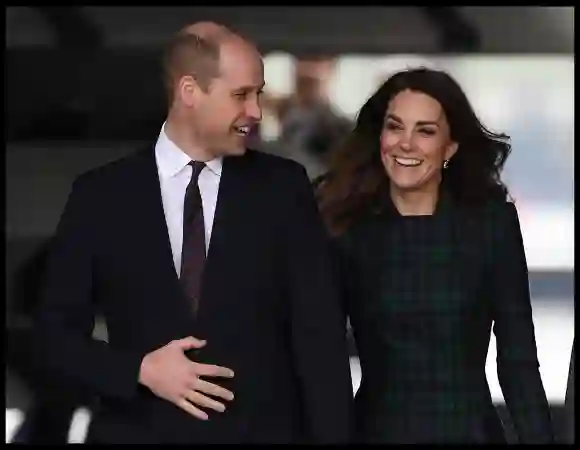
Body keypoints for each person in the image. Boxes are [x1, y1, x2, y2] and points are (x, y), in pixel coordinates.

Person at [31, 21, 353, 444]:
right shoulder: (100, 195)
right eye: (241, 95)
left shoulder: (284, 188)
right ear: (189, 92)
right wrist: (139, 370)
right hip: (138, 434)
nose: (256, 111)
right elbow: (54, 338)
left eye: (258, 94)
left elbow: (321, 342)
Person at [315, 67, 554, 443]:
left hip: (470, 433)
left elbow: (518, 360)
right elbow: (322, 361)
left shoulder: (492, 225)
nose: (405, 143)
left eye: (425, 131)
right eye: (395, 127)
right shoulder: (348, 229)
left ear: (450, 147)